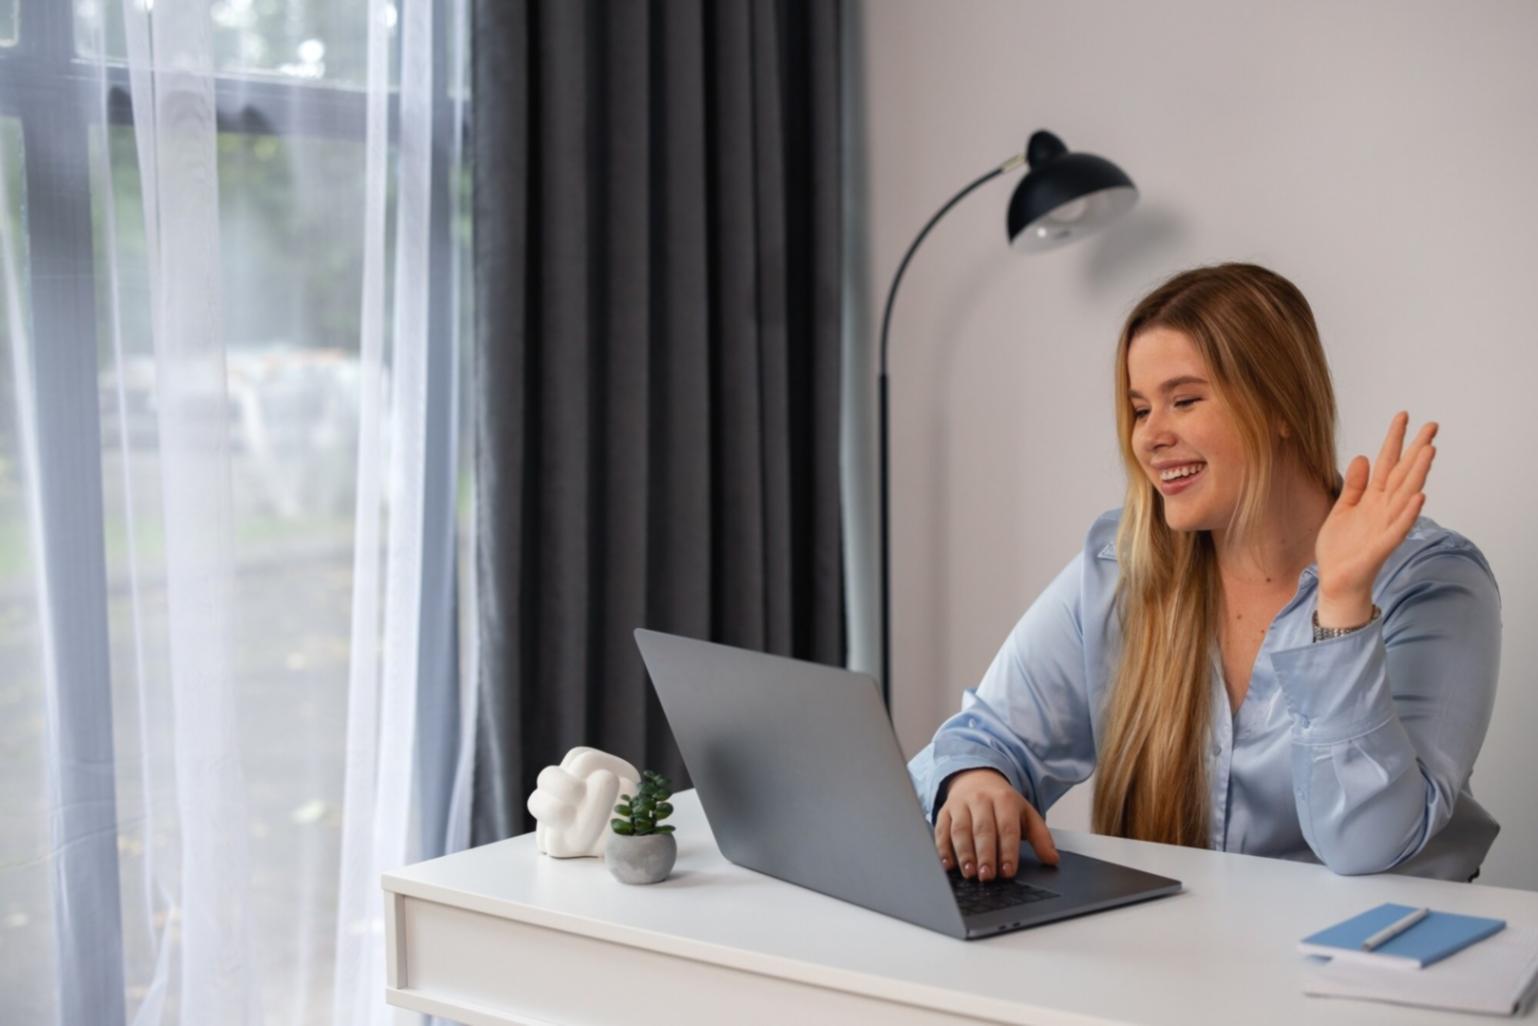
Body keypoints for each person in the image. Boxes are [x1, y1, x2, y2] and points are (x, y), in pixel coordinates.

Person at [907, 262, 1501, 885]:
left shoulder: (1431, 581)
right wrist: (975, 782)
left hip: (1386, 939)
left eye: (1185, 401)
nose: (1149, 438)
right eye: (1141, 410)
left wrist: (1342, 608)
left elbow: (1368, 845)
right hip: (1180, 937)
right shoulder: (1121, 568)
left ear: (1280, 405)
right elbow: (984, 737)